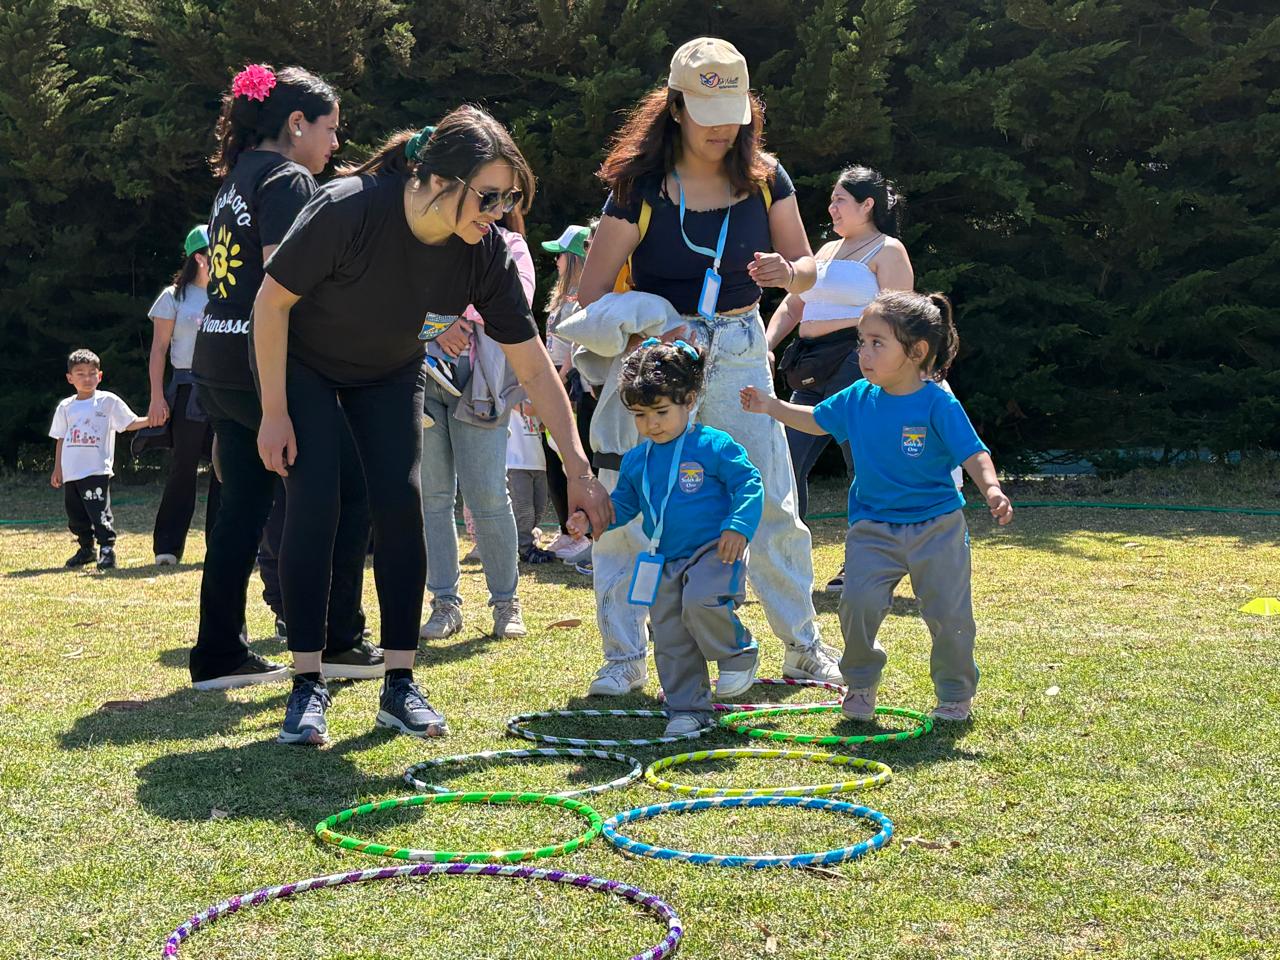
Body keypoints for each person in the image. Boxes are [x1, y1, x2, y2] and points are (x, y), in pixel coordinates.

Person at [252, 105, 612, 745]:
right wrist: (275, 411)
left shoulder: (485, 253)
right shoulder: (350, 208)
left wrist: (580, 470)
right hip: (305, 368)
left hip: (390, 373)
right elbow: (271, 302)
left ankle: (399, 683)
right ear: (438, 179)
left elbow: (533, 366)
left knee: (402, 503)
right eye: (489, 196)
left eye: (510, 199)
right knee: (315, 503)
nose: (499, 212)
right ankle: (307, 683)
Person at [572, 36, 841, 696]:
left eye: (733, 114)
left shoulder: (766, 176)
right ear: (675, 108)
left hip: (741, 347)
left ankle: (803, 648)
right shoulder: (639, 186)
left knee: (769, 500)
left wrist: (789, 274)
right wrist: (656, 316)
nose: (723, 129)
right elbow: (591, 293)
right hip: (656, 357)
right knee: (633, 498)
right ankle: (623, 658)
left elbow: (808, 266)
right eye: (707, 114)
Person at [189, 63, 379, 692]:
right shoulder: (288, 179)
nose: (335, 145)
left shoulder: (236, 177)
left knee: (241, 510)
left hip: (216, 363)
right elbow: (287, 286)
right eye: (330, 129)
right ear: (297, 123)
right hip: (266, 367)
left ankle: (218, 654)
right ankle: (339, 641)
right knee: (346, 491)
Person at [740, 290, 1013, 723]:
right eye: (862, 342)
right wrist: (772, 406)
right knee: (857, 605)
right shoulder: (857, 396)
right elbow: (816, 421)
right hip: (872, 528)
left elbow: (973, 452)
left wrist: (992, 489)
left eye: (876, 343)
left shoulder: (938, 402)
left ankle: (954, 693)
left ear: (916, 352)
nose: (862, 353)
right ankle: (861, 683)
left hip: (937, 527)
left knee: (949, 616)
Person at [569, 340, 762, 735]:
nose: (651, 424)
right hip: (665, 558)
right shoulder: (637, 460)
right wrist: (589, 521)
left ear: (689, 400)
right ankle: (687, 709)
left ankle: (738, 652)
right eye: (640, 415)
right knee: (670, 634)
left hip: (715, 551)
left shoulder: (713, 445)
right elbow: (623, 506)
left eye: (660, 412)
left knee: (701, 599)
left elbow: (749, 483)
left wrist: (738, 526)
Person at [766, 166, 912, 522]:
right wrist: (766, 344)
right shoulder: (824, 251)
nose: (831, 208)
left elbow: (898, 317)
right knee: (786, 460)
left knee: (860, 460)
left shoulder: (888, 250)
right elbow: (793, 305)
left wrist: (858, 337)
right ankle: (792, 547)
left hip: (856, 361)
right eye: (831, 201)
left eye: (840, 200)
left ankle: (873, 544)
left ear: (867, 205)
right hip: (810, 366)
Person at [419, 216, 537, 642]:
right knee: (432, 498)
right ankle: (444, 604)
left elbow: (515, 300)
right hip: (422, 377)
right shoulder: (427, 238)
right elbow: (398, 297)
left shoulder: (510, 244)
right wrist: (439, 323)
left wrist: (445, 314)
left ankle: (506, 603)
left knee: (487, 495)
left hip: (483, 382)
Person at [141, 225, 221, 565]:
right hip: (188, 390)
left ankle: (222, 546)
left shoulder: (230, 295)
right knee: (183, 467)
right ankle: (168, 547)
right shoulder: (173, 296)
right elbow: (159, 350)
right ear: (200, 258)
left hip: (225, 391)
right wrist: (156, 397)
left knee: (225, 469)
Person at [49, 349, 148, 570]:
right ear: (70, 378)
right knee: (76, 515)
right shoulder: (66, 407)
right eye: (80, 374)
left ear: (100, 376)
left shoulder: (107, 402)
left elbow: (129, 423)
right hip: (71, 472)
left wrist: (152, 420)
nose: (87, 378)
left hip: (96, 471)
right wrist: (58, 468)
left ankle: (107, 550)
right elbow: (61, 438)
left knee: (98, 511)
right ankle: (86, 549)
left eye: (92, 373)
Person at [538, 223, 594, 564]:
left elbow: (573, 349)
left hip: (570, 387)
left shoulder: (582, 300)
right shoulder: (561, 299)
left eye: (561, 254)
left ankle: (582, 536)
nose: (556, 261)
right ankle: (565, 529)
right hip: (555, 383)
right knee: (553, 458)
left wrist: (554, 385)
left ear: (574, 259)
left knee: (573, 459)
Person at [506, 402, 555, 564]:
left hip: (537, 460)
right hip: (515, 462)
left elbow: (542, 424)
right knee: (524, 510)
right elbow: (528, 408)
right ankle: (524, 549)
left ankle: (525, 541)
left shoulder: (536, 394)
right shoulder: (509, 391)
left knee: (539, 507)